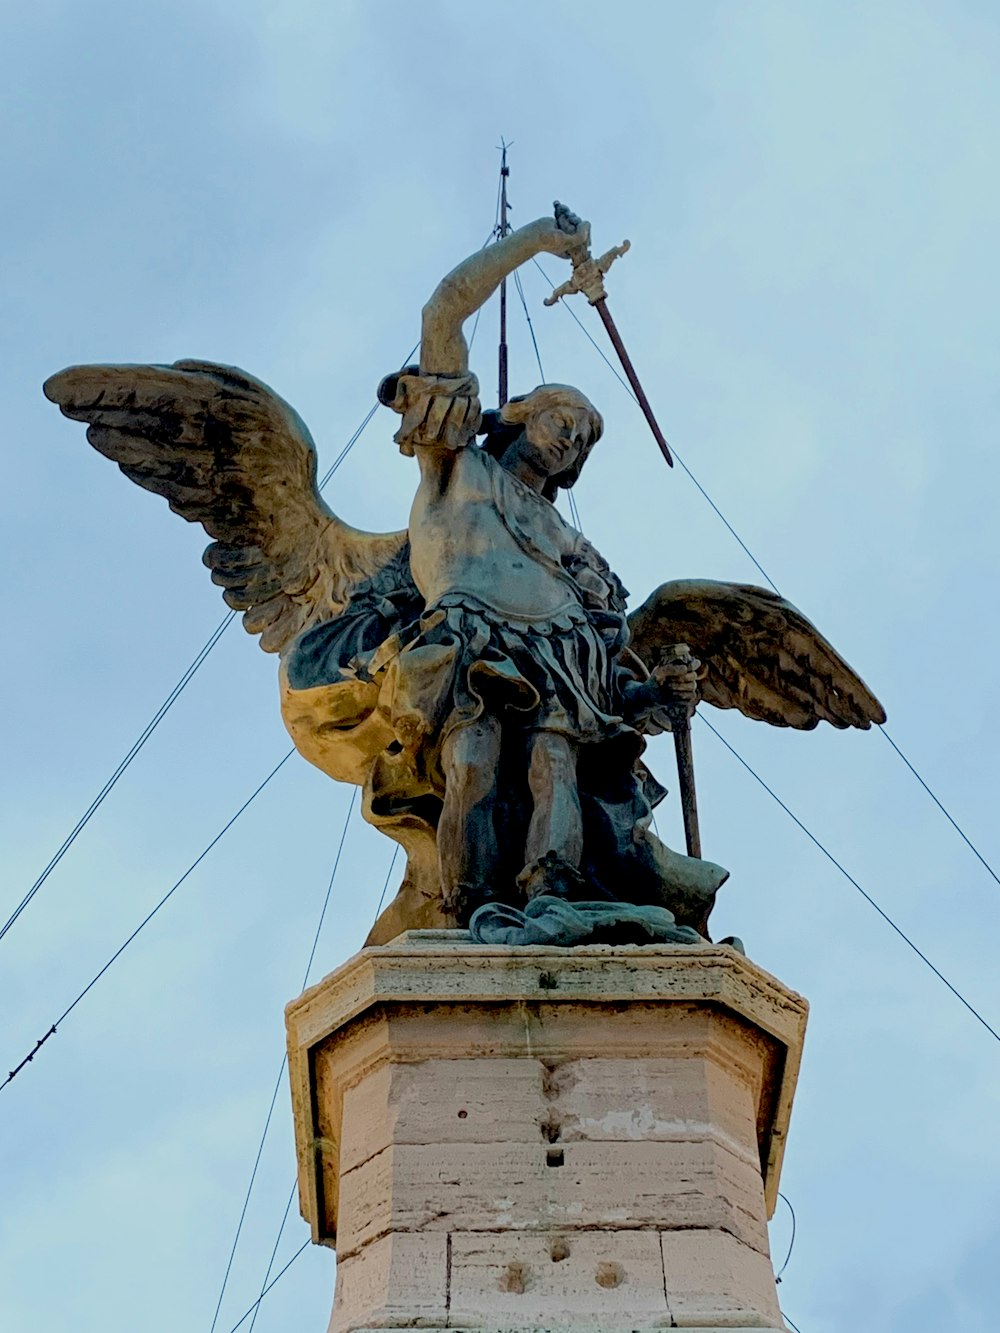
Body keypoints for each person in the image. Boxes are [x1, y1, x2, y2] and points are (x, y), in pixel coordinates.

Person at [375, 207, 726, 923]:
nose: (572, 436)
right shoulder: (456, 467)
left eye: (585, 437)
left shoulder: (574, 549)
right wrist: (537, 239)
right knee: (470, 760)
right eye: (562, 417)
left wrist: (664, 691)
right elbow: (441, 311)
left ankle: (553, 895)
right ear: (524, 411)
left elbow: (618, 677)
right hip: (470, 640)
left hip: (560, 658)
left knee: (556, 763)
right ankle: (466, 905)